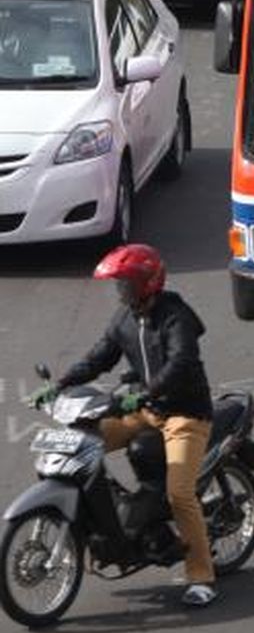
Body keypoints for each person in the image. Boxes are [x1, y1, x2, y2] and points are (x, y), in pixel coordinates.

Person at [33, 245, 218, 607]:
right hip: (144, 410)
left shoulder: (175, 316)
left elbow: (181, 363)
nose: (121, 291)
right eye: (119, 285)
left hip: (185, 414)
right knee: (83, 442)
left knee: (179, 494)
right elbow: (98, 357)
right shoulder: (125, 319)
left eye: (126, 284)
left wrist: (145, 392)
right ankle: (114, 519)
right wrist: (60, 384)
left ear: (148, 282)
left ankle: (202, 577)